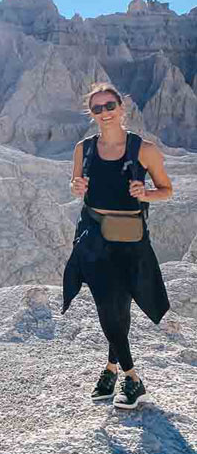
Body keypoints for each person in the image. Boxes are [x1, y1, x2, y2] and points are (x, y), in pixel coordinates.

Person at [62, 82, 173, 410]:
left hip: (130, 239)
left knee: (119, 307)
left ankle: (111, 370)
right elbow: (75, 186)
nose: (104, 113)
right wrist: (75, 186)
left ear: (122, 108)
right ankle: (133, 379)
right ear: (91, 113)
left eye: (110, 106)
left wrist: (147, 193)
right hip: (94, 236)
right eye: (97, 108)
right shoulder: (84, 148)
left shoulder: (144, 149)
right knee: (107, 306)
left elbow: (166, 189)